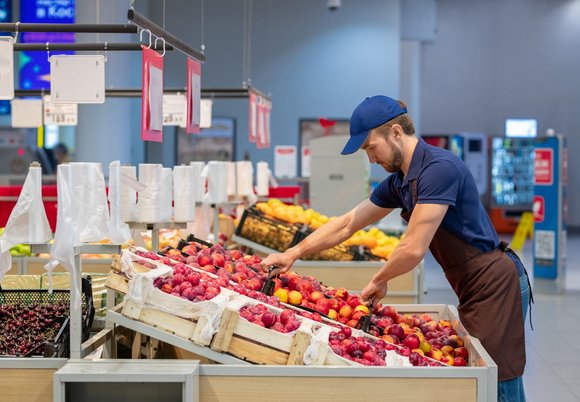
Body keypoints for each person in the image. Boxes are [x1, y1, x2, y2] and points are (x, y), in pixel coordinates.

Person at [262, 95, 531, 402]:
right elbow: (348, 223)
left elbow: (413, 247)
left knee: (498, 380)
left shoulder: (438, 169)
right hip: (472, 285)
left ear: (395, 133)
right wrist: (292, 253)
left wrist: (380, 278)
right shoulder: (401, 181)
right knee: (486, 377)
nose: (371, 159)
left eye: (370, 148)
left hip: (496, 283)